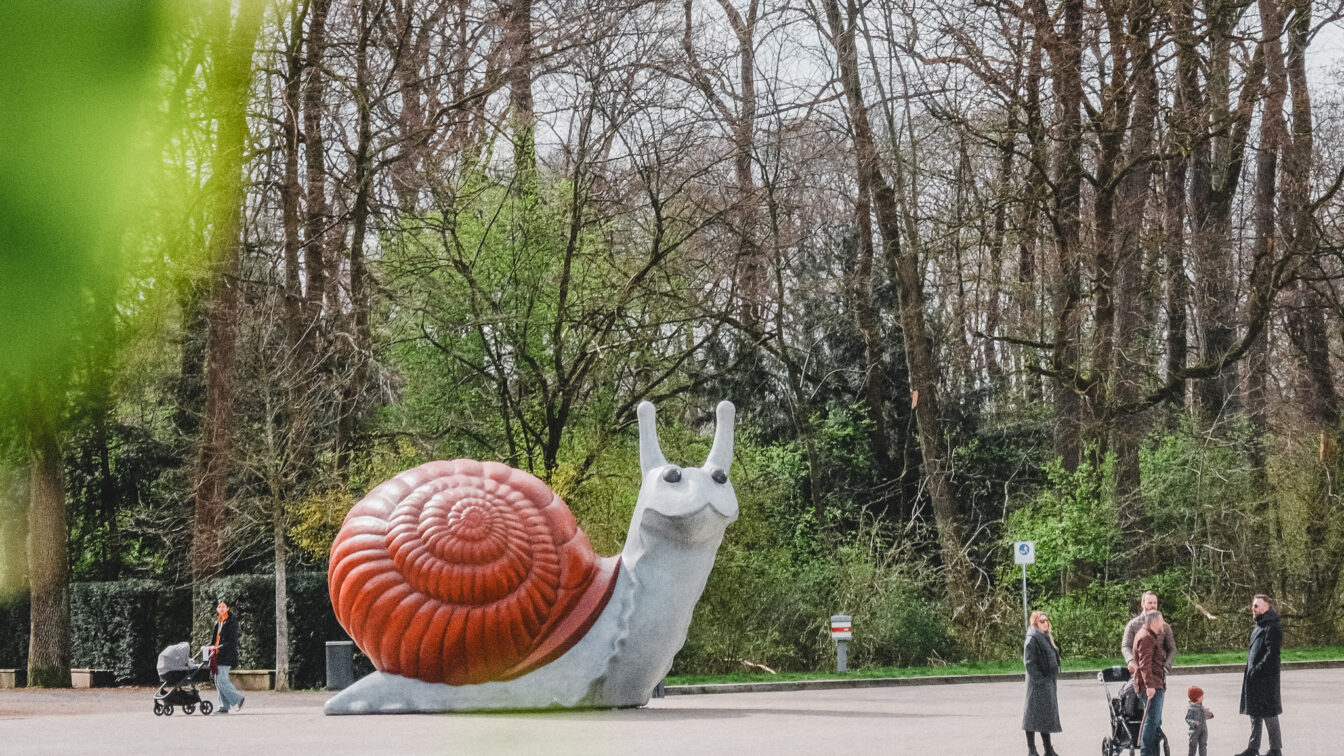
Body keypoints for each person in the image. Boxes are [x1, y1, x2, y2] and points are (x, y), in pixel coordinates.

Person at [1235, 594, 1282, 756]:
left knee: (1269, 713)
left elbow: (1272, 653)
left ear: (1266, 607)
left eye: (1256, 606)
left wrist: (1257, 669)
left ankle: (1276, 749)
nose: (1252, 609)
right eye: (1252, 605)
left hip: (1266, 679)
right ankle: (1253, 748)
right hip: (1254, 678)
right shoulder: (1260, 625)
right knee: (1255, 713)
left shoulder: (1272, 627)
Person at [1022, 610, 1062, 756]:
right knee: (1031, 716)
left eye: (1046, 620)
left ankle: (1048, 748)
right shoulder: (1032, 639)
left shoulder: (1044, 637)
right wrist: (1040, 680)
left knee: (1045, 716)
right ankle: (1031, 749)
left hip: (1047, 682)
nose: (1046, 623)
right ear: (1035, 623)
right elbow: (1029, 663)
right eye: (1042, 621)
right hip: (1036, 684)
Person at [1133, 610, 1168, 756]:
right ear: (1154, 622)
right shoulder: (1146, 637)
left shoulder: (1148, 635)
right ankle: (1146, 753)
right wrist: (1149, 686)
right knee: (1152, 722)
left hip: (1156, 684)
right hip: (1152, 686)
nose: (1163, 623)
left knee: (1154, 722)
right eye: (1161, 621)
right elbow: (1144, 664)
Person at [1122, 591, 1175, 677]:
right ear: (1143, 604)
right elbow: (1126, 646)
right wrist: (1131, 661)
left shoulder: (1165, 626)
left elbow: (1172, 649)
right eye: (1150, 603)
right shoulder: (1133, 624)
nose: (1153, 605)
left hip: (1158, 673)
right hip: (1138, 672)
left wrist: (1166, 667)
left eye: (1155, 603)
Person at [209, 600, 245, 714]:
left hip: (227, 655)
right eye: (219, 607)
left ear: (228, 608)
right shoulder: (218, 622)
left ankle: (238, 699)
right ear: (217, 609)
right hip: (217, 655)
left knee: (222, 680)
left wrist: (219, 647)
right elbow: (214, 640)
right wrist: (209, 647)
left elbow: (232, 641)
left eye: (223, 606)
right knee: (218, 681)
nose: (221, 608)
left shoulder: (231, 622)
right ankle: (224, 706)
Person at [1184, 685, 1212, 756]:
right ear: (1195, 698)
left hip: (1203, 730)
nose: (1203, 698)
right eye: (1201, 696)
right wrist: (1193, 723)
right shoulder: (1190, 708)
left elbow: (1204, 716)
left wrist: (1209, 715)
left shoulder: (1202, 706)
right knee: (1193, 747)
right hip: (1194, 731)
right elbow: (1187, 718)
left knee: (1203, 745)